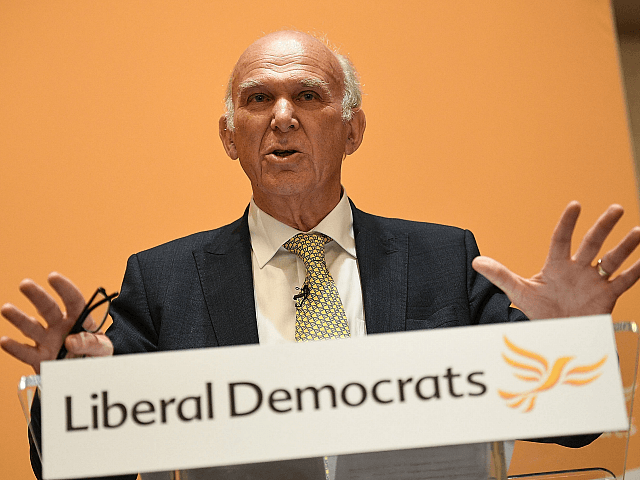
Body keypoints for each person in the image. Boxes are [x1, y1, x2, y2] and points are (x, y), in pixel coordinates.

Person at [2, 30, 640, 480]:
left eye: (308, 96)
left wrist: (566, 343)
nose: (282, 116)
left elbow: (569, 423)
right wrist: (74, 391)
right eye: (257, 100)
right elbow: (85, 472)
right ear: (230, 136)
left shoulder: (443, 258)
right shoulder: (165, 281)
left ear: (353, 128)